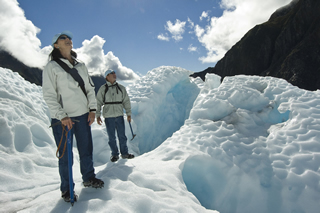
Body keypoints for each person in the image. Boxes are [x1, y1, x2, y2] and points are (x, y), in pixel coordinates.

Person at [42, 30, 104, 202]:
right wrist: (61, 115)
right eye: (63, 38)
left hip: (83, 116)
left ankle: (88, 178)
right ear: (56, 45)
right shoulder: (51, 67)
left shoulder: (80, 66)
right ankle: (67, 189)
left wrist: (92, 110)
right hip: (63, 120)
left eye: (69, 37)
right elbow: (49, 94)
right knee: (65, 156)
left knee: (86, 150)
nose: (68, 39)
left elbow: (90, 89)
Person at [96, 69, 135, 162]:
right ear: (107, 76)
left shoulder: (121, 88)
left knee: (122, 136)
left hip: (119, 115)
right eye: (112, 73)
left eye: (114, 73)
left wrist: (129, 113)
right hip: (109, 117)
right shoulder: (103, 88)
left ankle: (124, 153)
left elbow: (126, 101)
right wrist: (97, 115)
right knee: (111, 137)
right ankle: (114, 155)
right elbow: (98, 102)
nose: (114, 74)